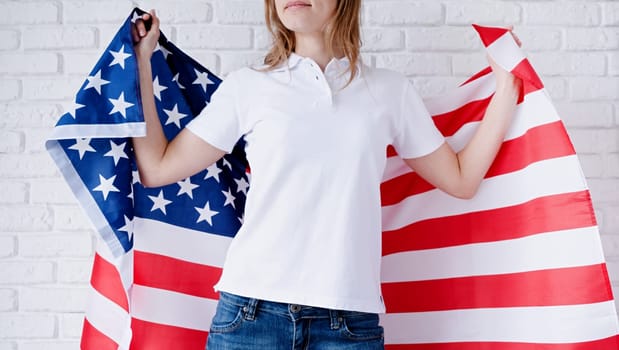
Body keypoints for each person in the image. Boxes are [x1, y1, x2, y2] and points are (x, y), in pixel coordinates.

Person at [131, 1, 522, 349]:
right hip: (250, 316)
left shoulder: (388, 91)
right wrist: (142, 62)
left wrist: (507, 83)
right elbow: (158, 167)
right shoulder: (247, 87)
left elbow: (461, 180)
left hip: (349, 324)